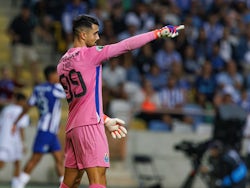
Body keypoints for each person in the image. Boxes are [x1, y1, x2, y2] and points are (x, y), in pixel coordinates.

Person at [57, 14, 184, 188]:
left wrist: (106, 119)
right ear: (83, 35)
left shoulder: (62, 63)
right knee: (98, 179)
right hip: (89, 126)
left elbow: (80, 102)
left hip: (73, 127)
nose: (98, 37)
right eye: (95, 33)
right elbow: (125, 46)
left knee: (71, 182)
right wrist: (157, 33)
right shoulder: (90, 54)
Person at [12, 65, 66, 188]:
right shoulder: (55, 88)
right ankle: (18, 184)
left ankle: (64, 185)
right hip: (46, 131)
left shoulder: (38, 89)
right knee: (35, 159)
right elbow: (70, 93)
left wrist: (16, 122)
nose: (58, 76)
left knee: (59, 159)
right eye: (57, 74)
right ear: (51, 75)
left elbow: (28, 106)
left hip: (48, 131)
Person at [0, 92, 29, 188]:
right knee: (17, 162)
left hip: (4, 139)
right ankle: (16, 185)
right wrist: (23, 143)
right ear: (21, 101)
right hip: (15, 141)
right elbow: (21, 128)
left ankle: (16, 184)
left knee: (2, 162)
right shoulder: (22, 111)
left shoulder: (6, 109)